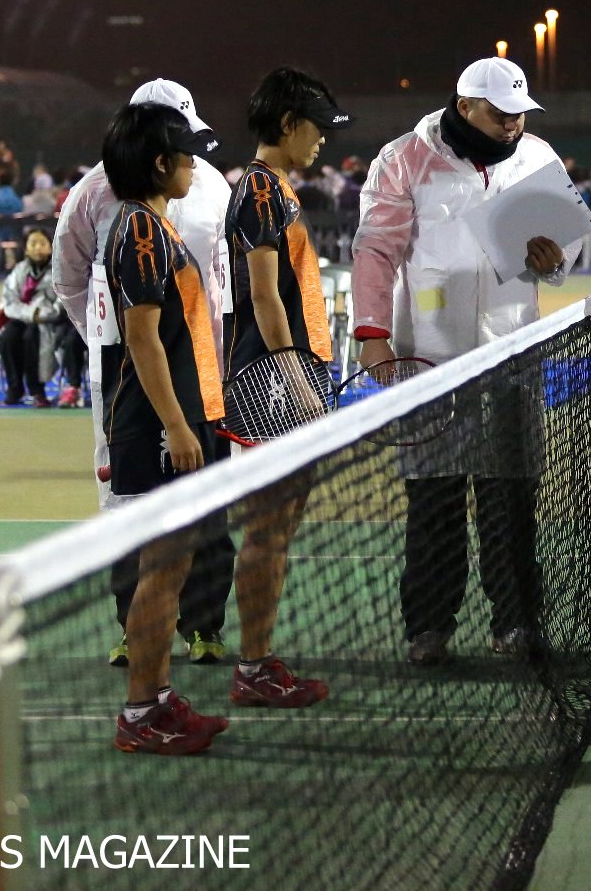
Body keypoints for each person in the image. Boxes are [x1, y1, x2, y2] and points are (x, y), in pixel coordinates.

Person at [350, 56, 583, 666]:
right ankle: (428, 629)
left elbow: (568, 244)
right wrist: (373, 335)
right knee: (435, 500)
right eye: (501, 115)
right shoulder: (403, 158)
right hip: (431, 355)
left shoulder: (537, 157)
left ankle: (516, 625)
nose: (514, 125)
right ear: (465, 107)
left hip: (511, 350)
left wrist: (554, 257)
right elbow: (375, 251)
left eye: (520, 115)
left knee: (511, 497)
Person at [52, 78, 236, 668]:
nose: (191, 160)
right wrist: (114, 350)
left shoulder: (210, 185)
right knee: (132, 510)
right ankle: (138, 635)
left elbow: (222, 278)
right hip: (134, 382)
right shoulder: (101, 203)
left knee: (205, 509)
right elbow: (69, 280)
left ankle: (202, 625)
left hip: (200, 373)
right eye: (181, 149)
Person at [97, 103, 237, 755]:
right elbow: (144, 341)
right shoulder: (141, 232)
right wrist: (179, 426)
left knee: (172, 566)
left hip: (176, 421)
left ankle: (153, 697)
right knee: (161, 568)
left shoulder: (150, 225)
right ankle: (139, 713)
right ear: (160, 162)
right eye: (187, 154)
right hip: (157, 429)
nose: (194, 165)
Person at [219, 67, 348, 707]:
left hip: (294, 373)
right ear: (289, 125)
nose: (322, 140)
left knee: (281, 526)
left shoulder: (277, 192)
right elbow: (265, 296)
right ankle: (254, 667)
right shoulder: (261, 193)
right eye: (317, 128)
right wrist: (295, 378)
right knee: (269, 529)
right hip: (275, 379)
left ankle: (259, 662)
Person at [0, 229, 84, 407]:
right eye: (33, 244)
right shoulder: (19, 271)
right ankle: (15, 387)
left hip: (53, 322)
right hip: (25, 318)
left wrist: (43, 315)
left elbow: (64, 300)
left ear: (51, 247)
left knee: (31, 336)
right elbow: (8, 301)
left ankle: (37, 391)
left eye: (42, 243)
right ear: (26, 249)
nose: (38, 248)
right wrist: (31, 314)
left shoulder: (61, 270)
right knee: (8, 336)